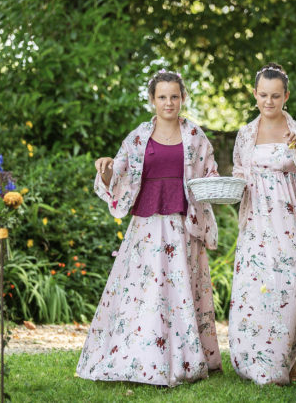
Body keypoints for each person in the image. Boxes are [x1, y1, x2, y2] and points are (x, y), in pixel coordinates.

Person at [76, 70, 222, 386]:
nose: (168, 102)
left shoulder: (196, 136)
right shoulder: (138, 137)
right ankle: (138, 355)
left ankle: (183, 358)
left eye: (174, 96)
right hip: (145, 227)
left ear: (182, 98)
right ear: (152, 100)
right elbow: (118, 178)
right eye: (162, 97)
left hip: (183, 225)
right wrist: (106, 170)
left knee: (179, 292)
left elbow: (210, 177)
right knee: (144, 291)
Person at [228, 62, 296, 385]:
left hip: (291, 219)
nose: (268, 102)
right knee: (256, 288)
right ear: (254, 95)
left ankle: (288, 355)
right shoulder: (246, 134)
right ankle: (259, 363)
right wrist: (231, 185)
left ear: (286, 95)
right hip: (258, 220)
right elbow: (240, 174)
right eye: (263, 95)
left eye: (275, 96)